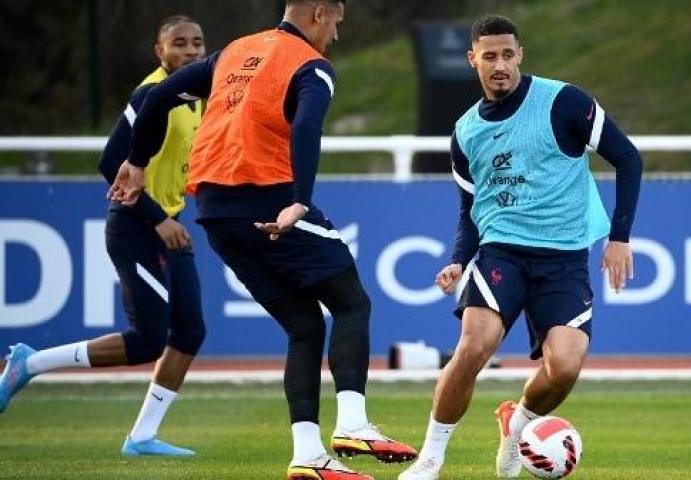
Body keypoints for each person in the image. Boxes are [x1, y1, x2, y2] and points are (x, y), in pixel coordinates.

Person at [107, 1, 417, 478]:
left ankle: (308, 455)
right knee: (352, 304)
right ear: (319, 13)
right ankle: (354, 423)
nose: (335, 33)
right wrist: (300, 199)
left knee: (303, 326)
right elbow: (309, 126)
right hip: (269, 198)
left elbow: (156, 97)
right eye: (336, 21)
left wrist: (139, 160)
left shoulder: (234, 51)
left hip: (214, 212)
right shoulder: (311, 65)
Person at [399, 15, 642, 480]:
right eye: (489, 56)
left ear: (520, 56)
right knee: (473, 347)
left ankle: (520, 422)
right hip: (502, 254)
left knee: (566, 366)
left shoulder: (563, 102)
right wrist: (457, 260)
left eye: (508, 55)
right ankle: (430, 458)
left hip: (564, 258)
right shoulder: (466, 132)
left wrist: (620, 237)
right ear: (473, 60)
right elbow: (471, 210)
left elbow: (627, 157)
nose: (500, 65)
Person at [0, 15, 207, 457]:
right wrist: (157, 217)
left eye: (197, 44)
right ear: (160, 52)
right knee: (149, 339)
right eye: (180, 44)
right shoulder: (152, 93)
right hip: (136, 226)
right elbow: (111, 159)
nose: (191, 52)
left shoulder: (194, 97)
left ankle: (142, 438)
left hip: (168, 225)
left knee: (189, 332)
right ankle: (29, 364)